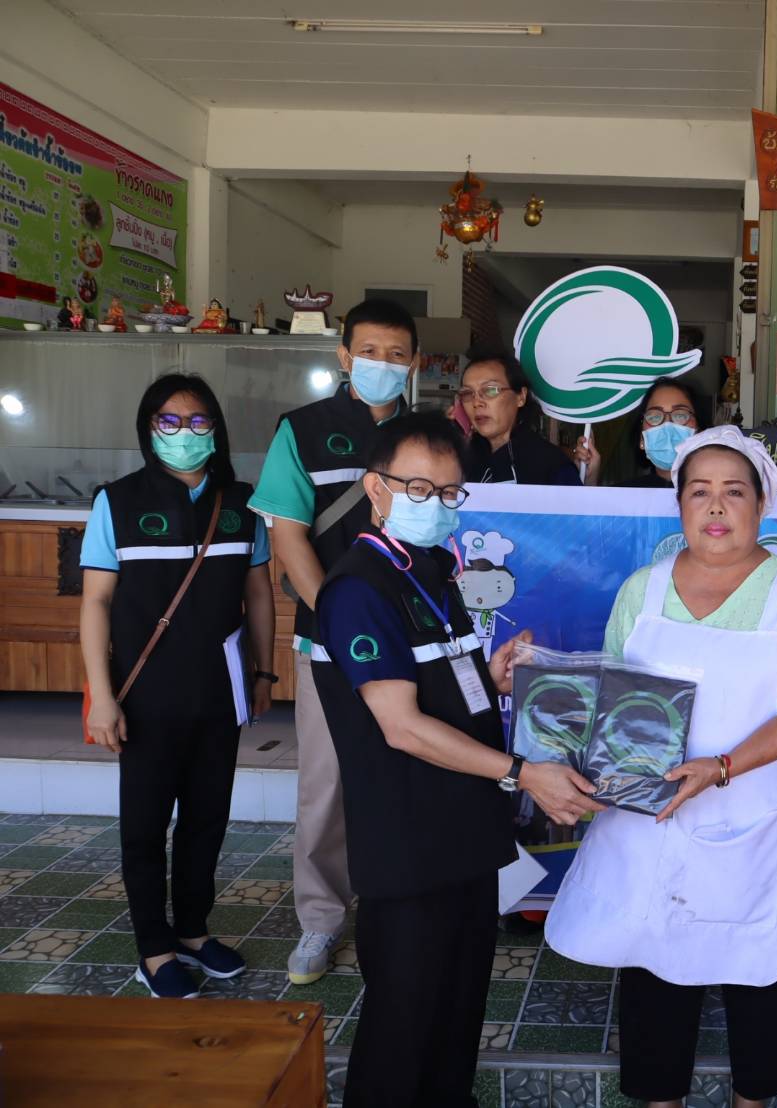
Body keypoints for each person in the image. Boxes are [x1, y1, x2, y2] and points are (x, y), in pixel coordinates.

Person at [546, 425, 777, 1108]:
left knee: (759, 969)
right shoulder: (643, 591)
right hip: (651, 814)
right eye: (699, 491)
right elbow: (611, 700)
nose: (715, 506)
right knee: (652, 959)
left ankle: (752, 1098)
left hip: (756, 818)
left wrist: (722, 766)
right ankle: (660, 1097)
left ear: (761, 505)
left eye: (733, 492)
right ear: (678, 505)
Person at [312, 414, 602, 1107]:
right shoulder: (357, 590)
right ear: (376, 490)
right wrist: (522, 773)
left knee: (458, 1005)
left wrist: (494, 677)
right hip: (408, 844)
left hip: (465, 833)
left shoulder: (434, 572)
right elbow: (402, 727)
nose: (436, 504)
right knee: (404, 1023)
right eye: (418, 488)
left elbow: (442, 684)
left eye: (449, 493)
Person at [80, 374, 275, 998]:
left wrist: (264, 672)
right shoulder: (117, 502)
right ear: (149, 429)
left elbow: (258, 594)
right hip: (144, 698)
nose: (184, 433)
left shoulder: (242, 503)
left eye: (197, 421)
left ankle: (192, 931)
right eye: (169, 421)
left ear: (215, 429)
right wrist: (102, 696)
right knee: (144, 827)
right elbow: (95, 603)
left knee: (206, 820)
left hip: (219, 694)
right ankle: (154, 948)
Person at [248, 298, 415, 985]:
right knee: (326, 784)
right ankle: (319, 919)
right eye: (369, 352)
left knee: (407, 775)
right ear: (344, 356)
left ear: (413, 364)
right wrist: (342, 621)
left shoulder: (426, 435)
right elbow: (289, 536)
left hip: (411, 639)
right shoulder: (303, 430)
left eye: (397, 355)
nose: (383, 365)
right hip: (329, 641)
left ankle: (398, 906)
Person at [456, 345, 595, 486]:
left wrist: (590, 479)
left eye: (490, 390)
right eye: (467, 393)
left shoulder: (552, 465)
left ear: (520, 397)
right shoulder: (458, 461)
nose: (476, 403)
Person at [575, 377, 707, 488]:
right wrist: (589, 481)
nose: (667, 424)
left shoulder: (717, 496)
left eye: (680, 415)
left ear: (700, 431)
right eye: (654, 417)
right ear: (642, 439)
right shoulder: (625, 496)